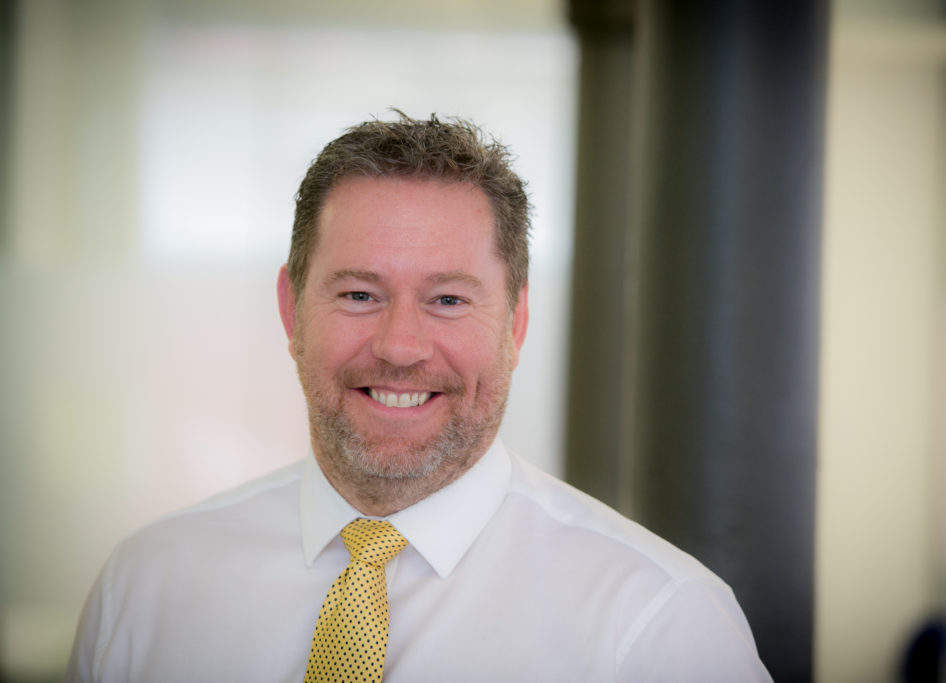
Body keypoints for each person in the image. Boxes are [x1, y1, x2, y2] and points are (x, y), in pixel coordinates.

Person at [66, 113, 770, 682]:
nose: (400, 346)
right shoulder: (146, 588)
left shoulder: (658, 625)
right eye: (359, 294)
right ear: (291, 310)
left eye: (448, 299)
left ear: (515, 324)